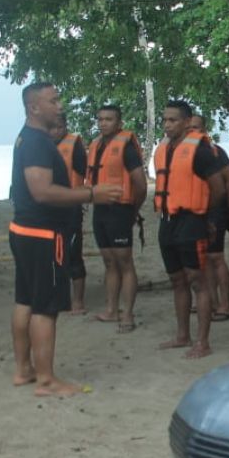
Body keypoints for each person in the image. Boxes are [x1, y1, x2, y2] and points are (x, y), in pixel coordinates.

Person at [10, 82, 122, 396]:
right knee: (44, 307)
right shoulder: (36, 143)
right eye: (53, 101)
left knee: (25, 300)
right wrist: (91, 194)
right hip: (42, 234)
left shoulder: (30, 138)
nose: (60, 106)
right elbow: (41, 192)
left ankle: (23, 369)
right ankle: (46, 380)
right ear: (34, 107)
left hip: (24, 230)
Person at [153, 100, 226, 359]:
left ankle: (202, 342)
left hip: (192, 220)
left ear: (186, 122)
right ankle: (182, 335)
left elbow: (218, 188)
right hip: (167, 220)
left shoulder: (200, 150)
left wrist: (207, 217)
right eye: (164, 120)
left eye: (172, 120)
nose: (167, 125)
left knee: (198, 281)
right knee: (177, 280)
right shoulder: (163, 149)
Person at [87, 104, 147, 333]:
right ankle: (111, 310)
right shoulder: (95, 145)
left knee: (124, 262)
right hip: (100, 210)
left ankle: (127, 315)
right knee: (109, 262)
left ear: (119, 122)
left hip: (120, 210)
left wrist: (133, 210)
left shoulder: (126, 147)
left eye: (109, 119)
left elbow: (140, 183)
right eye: (100, 119)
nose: (103, 123)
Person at [190, 114, 229, 322]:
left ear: (205, 129)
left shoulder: (214, 151)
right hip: (194, 211)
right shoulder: (182, 152)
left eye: (197, 128)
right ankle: (212, 302)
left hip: (215, 210)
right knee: (203, 259)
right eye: (189, 128)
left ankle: (225, 305)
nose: (193, 132)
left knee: (215, 257)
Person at [53, 114, 89, 314]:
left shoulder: (74, 144)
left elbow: (84, 173)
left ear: (65, 126)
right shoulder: (43, 144)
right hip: (49, 208)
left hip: (70, 207)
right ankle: (58, 298)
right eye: (52, 127)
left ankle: (78, 301)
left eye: (59, 127)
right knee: (52, 255)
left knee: (73, 253)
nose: (55, 131)